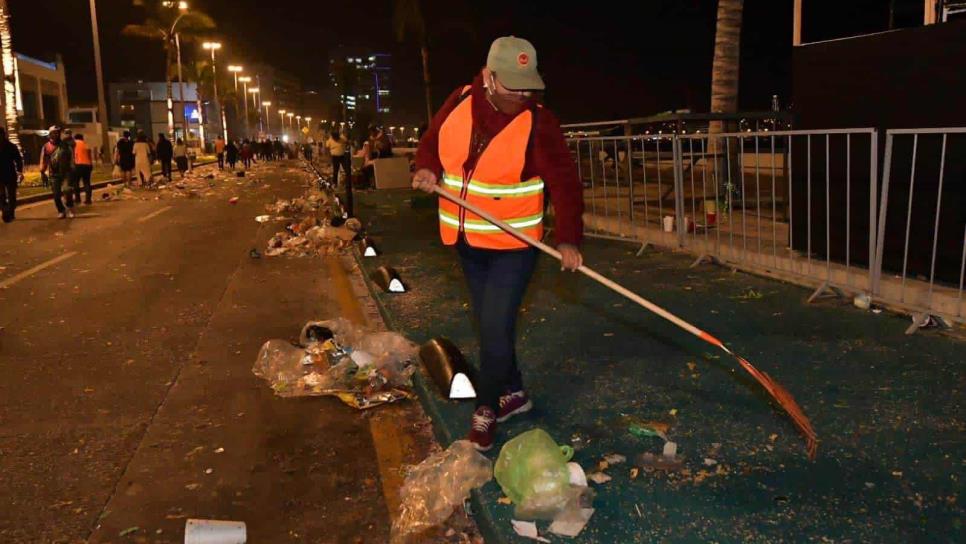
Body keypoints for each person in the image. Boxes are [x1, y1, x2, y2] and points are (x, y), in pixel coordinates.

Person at [412, 36, 584, 451]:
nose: (523, 94)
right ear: (488, 77)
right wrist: (426, 169)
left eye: (529, 85)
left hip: (516, 246)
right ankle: (515, 392)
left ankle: (487, 408)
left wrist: (568, 239)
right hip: (467, 241)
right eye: (513, 84)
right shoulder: (458, 100)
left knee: (493, 327)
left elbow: (565, 184)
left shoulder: (540, 122)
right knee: (493, 326)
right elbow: (431, 143)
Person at [40, 126, 77, 218]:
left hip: (66, 172)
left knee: (67, 191)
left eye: (57, 133)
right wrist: (42, 171)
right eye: (54, 133)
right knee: (56, 195)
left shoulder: (65, 145)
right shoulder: (46, 147)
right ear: (50, 134)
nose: (56, 134)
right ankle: (61, 211)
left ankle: (70, 207)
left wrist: (73, 167)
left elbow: (71, 156)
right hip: (54, 174)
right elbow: (43, 160)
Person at [0, 127, 23, 223]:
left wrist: (20, 171)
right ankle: (5, 210)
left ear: (3, 135)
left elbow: (18, 160)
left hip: (10, 174)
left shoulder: (11, 146)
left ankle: (11, 212)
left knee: (11, 195)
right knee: (1, 195)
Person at [73, 133, 94, 205]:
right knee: (87, 182)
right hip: (87, 165)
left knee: (76, 182)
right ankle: (88, 199)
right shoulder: (85, 144)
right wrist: (91, 164)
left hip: (77, 165)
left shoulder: (73, 144)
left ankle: (77, 198)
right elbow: (89, 154)